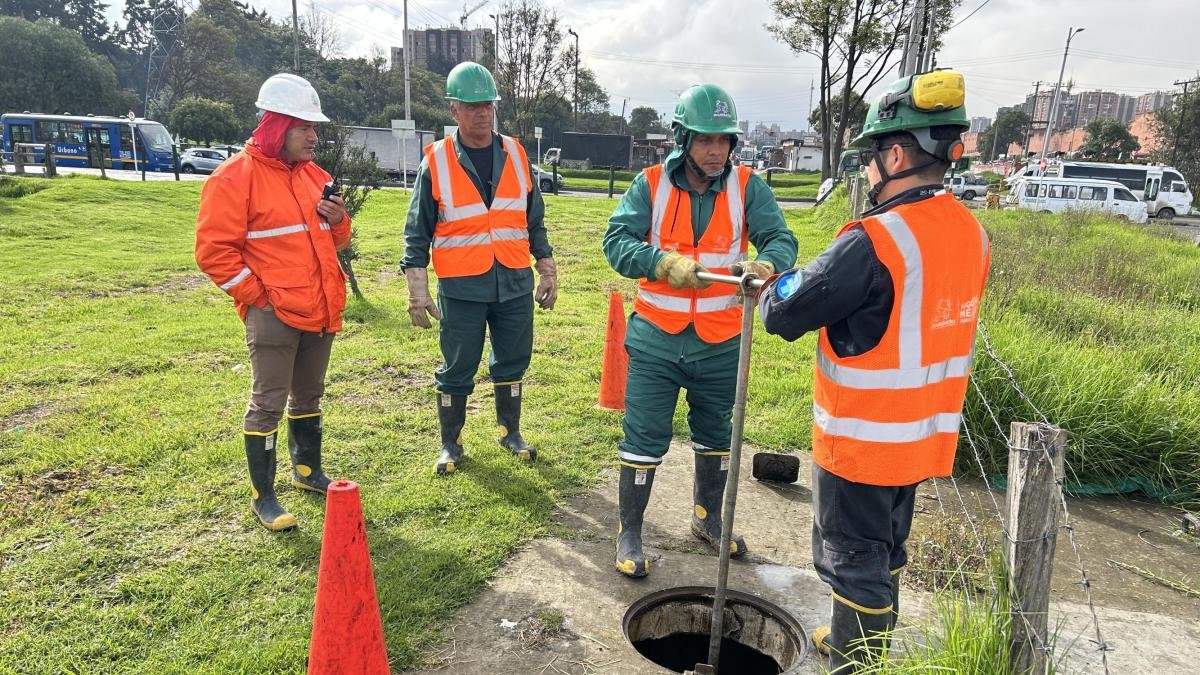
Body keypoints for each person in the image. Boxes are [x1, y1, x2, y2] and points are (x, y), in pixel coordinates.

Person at [758, 70, 990, 671]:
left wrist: (770, 286)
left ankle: (855, 663)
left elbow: (786, 311)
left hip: (863, 441)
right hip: (922, 437)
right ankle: (858, 643)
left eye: (870, 159)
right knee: (884, 553)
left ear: (894, 153)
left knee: (851, 562)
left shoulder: (876, 239)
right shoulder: (972, 234)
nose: (867, 173)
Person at [603, 84, 797, 578]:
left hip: (722, 340)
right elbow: (616, 242)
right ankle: (630, 531)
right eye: (706, 140)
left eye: (725, 140)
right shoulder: (649, 184)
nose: (716, 150)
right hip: (656, 338)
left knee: (716, 434)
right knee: (643, 436)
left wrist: (768, 261)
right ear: (683, 138)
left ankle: (708, 520)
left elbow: (780, 237)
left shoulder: (748, 186)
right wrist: (661, 261)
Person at [195, 73, 350, 532]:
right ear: (279, 125)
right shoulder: (233, 179)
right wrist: (259, 299)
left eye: (314, 128)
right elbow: (213, 253)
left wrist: (340, 219)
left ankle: (307, 472)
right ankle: (264, 496)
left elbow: (336, 240)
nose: (314, 136)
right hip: (274, 315)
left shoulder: (315, 177)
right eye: (306, 127)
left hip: (320, 309)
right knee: (268, 403)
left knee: (309, 395)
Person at [401, 61, 557, 476]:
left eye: (488, 104)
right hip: (463, 285)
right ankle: (450, 444)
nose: (483, 113)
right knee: (458, 366)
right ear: (454, 110)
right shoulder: (435, 160)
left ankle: (510, 431)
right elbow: (417, 230)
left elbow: (533, 218)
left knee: (513, 360)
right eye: (472, 107)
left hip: (512, 281)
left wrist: (547, 269)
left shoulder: (516, 153)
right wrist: (417, 290)